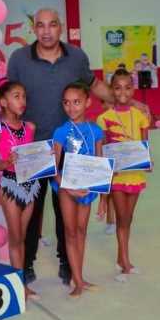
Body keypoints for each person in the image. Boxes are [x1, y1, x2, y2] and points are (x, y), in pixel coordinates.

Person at [7, 8, 115, 286]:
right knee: (29, 209)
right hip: (31, 148)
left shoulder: (76, 57)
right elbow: (7, 97)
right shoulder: (19, 59)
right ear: (34, 29)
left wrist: (125, 101)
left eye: (52, 25)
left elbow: (94, 85)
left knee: (65, 207)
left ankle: (68, 265)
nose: (46, 31)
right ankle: (27, 263)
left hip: (69, 148)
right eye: (40, 26)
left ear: (61, 28)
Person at [0, 81, 40, 299]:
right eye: (17, 96)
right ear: (3, 102)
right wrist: (5, 162)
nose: (22, 101)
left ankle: (21, 283)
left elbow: (33, 157)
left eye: (24, 97)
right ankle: (19, 285)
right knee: (15, 236)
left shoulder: (30, 128)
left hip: (30, 186)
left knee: (23, 237)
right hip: (9, 185)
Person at [97, 69, 150, 283]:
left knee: (128, 219)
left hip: (136, 175)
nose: (123, 92)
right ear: (111, 90)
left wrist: (148, 160)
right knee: (121, 220)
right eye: (117, 88)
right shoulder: (104, 118)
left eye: (127, 87)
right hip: (117, 177)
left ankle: (121, 258)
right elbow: (102, 151)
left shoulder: (140, 116)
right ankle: (126, 264)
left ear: (133, 89)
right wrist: (108, 170)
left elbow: (145, 144)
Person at [52, 82, 104, 297]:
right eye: (66, 103)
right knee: (70, 232)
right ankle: (78, 281)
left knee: (82, 231)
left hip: (89, 187)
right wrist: (68, 188)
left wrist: (103, 199)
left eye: (77, 102)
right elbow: (53, 167)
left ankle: (78, 276)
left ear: (87, 102)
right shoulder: (61, 131)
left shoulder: (96, 130)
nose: (71, 107)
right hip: (66, 188)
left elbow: (101, 163)